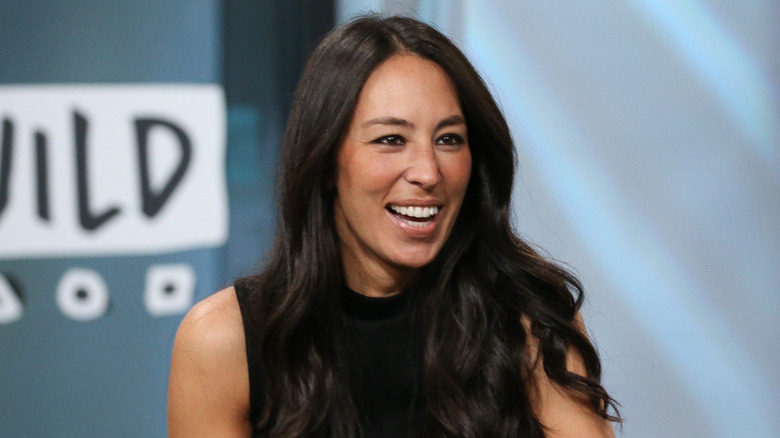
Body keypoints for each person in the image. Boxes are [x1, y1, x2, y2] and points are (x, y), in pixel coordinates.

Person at [168, 15, 620, 438]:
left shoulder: (528, 317)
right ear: (325, 162)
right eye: (390, 139)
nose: (427, 171)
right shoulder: (223, 340)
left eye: (448, 140)